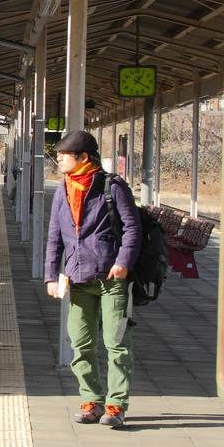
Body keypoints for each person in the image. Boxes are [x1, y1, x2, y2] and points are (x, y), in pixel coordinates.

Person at [45, 131, 141, 428]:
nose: (59, 158)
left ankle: (116, 405)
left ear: (84, 157)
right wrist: (50, 274)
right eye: (58, 153)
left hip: (112, 277)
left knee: (116, 343)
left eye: (65, 153)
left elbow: (132, 228)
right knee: (81, 342)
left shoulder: (112, 186)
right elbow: (54, 236)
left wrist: (124, 262)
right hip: (77, 277)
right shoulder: (63, 188)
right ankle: (91, 400)